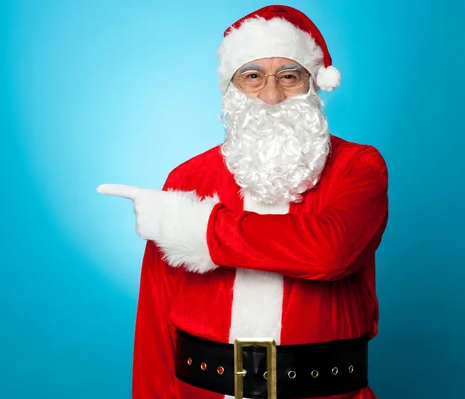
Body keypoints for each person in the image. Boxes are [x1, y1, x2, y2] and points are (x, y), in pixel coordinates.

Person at [98, 5, 388, 399]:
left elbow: (329, 252)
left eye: (289, 76)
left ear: (313, 85)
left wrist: (198, 229)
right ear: (232, 88)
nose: (271, 95)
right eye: (252, 76)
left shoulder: (358, 167)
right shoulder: (187, 179)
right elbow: (156, 318)